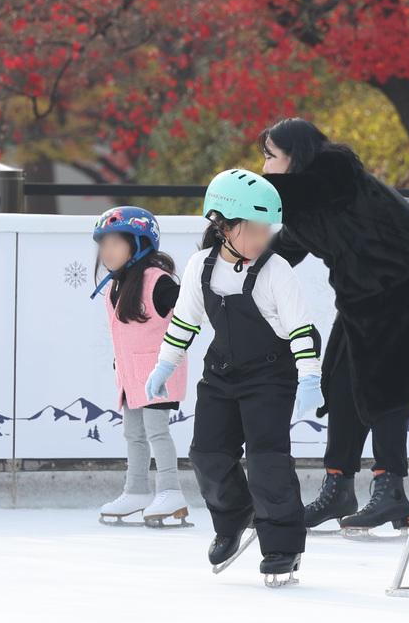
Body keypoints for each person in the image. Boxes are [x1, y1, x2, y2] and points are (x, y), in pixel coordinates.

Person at [259, 118, 409, 536]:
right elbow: (281, 252)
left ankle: (390, 490)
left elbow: (295, 193)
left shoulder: (335, 173)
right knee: (340, 384)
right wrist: (235, 262)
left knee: (387, 389)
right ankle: (339, 487)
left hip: (405, 289)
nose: (264, 167)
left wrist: (238, 191)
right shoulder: (307, 209)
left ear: (296, 155)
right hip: (363, 301)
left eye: (270, 156)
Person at [144, 169, 324, 586]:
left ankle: (282, 545)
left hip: (271, 374)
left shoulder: (276, 270)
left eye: (268, 229)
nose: (263, 238)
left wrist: (309, 376)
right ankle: (233, 517)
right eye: (254, 229)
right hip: (221, 372)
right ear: (222, 225)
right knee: (207, 456)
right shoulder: (199, 267)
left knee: (267, 462)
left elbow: (302, 329)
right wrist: (165, 364)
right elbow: (185, 323)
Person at [89, 206, 188, 527]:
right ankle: (137, 490)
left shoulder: (157, 282)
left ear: (140, 243)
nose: (107, 251)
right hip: (130, 378)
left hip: (159, 374)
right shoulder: (117, 286)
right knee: (133, 434)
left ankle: (171, 490)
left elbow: (190, 310)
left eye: (115, 243)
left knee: (157, 432)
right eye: (103, 244)